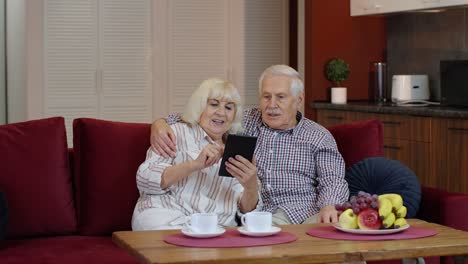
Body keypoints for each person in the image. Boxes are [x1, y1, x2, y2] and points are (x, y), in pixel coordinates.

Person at [150, 65, 349, 225]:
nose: (271, 105)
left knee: (342, 242)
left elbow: (333, 179)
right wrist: (159, 124)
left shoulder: (318, 135)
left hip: (306, 211)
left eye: (280, 97)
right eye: (266, 96)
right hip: (257, 215)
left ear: (298, 100)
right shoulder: (245, 120)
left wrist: (329, 205)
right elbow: (201, 116)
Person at [132, 78, 260, 230]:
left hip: (212, 227)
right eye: (213, 104)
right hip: (165, 216)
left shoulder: (235, 151)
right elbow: (145, 179)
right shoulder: (176, 132)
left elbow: (245, 211)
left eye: (229, 108)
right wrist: (194, 165)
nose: (221, 113)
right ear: (199, 107)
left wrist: (251, 187)